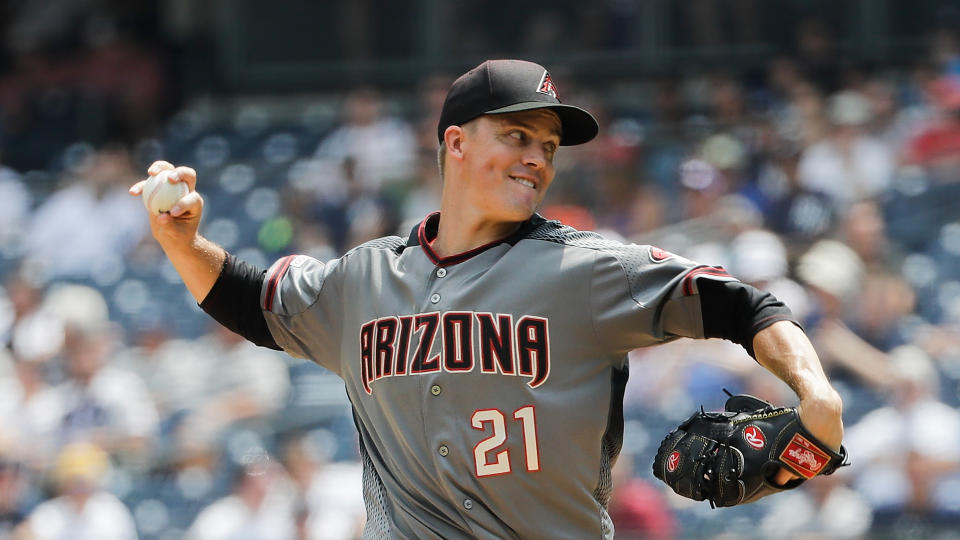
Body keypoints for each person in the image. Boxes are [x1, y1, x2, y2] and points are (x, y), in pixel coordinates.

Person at [130, 59, 844, 539]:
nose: (537, 156)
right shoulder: (363, 279)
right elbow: (247, 301)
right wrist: (181, 241)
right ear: (456, 144)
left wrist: (815, 394)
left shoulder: (584, 270)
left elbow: (742, 304)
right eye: (516, 134)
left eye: (548, 145)